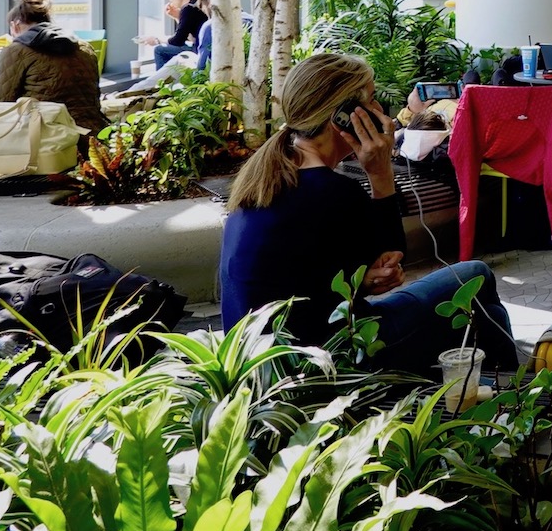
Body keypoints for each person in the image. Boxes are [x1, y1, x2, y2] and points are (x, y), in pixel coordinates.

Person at [219, 53, 517, 374]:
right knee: (479, 278)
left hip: (259, 365)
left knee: (487, 317)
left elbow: (321, 277)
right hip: (329, 362)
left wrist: (364, 280)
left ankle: (486, 399)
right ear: (344, 116)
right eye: (373, 101)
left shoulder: (265, 176)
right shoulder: (332, 191)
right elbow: (392, 256)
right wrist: (380, 174)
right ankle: (510, 400)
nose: (382, 114)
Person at [0, 0, 106, 152]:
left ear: (15, 25)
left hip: (46, 143)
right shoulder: (84, 47)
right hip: (92, 139)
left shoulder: (17, 50)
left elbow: (0, 105)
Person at [139, 0, 206, 68]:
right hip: (203, 48)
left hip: (200, 51)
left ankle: (164, 81)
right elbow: (191, 37)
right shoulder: (197, 5)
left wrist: (156, 40)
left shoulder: (188, 8)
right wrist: (177, 17)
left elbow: (177, 41)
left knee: (159, 50)